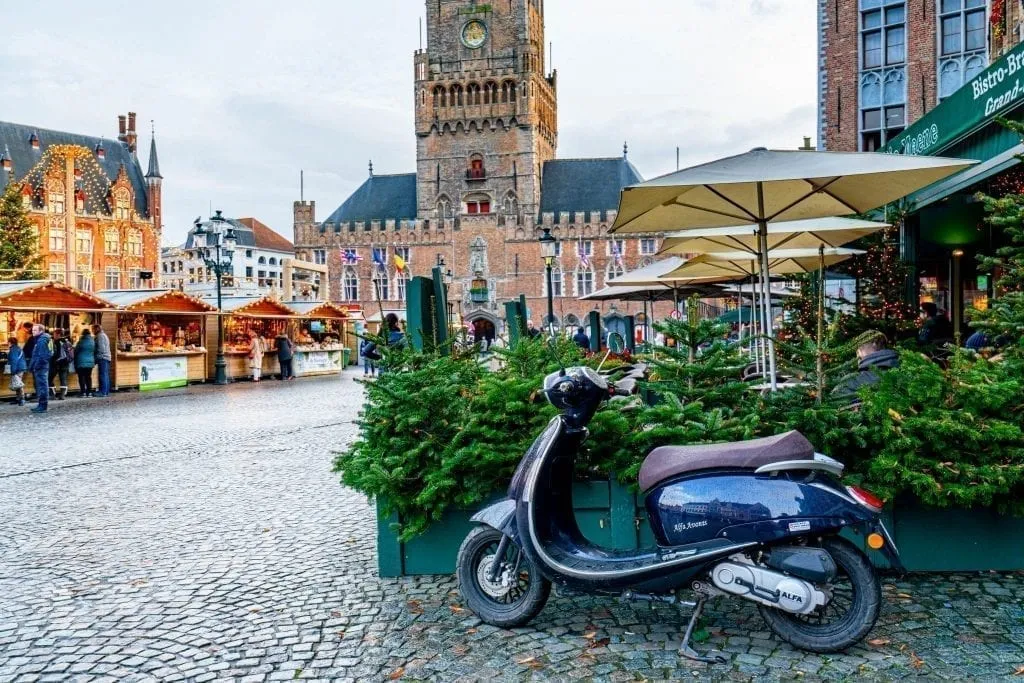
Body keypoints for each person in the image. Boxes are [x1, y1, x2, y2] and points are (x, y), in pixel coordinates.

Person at [834, 336, 900, 402]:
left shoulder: (851, 382)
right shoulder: (904, 370)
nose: (857, 354)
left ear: (874, 343)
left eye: (859, 349)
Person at [27, 324, 52, 413]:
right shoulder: (42, 339)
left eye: (35, 330)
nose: (33, 332)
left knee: (42, 386)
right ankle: (41, 405)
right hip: (42, 366)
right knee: (42, 386)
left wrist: (36, 366)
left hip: (41, 367)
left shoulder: (41, 341)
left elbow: (42, 356)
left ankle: (43, 405)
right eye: (32, 330)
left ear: (41, 331)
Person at [50, 329, 73, 400]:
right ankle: (62, 395)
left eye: (54, 334)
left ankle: (52, 395)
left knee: (49, 378)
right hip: (65, 363)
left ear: (58, 334)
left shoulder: (57, 342)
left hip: (57, 363)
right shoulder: (68, 341)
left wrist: (53, 360)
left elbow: (55, 353)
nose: (53, 336)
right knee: (63, 379)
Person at [74, 328, 96, 397]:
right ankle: (89, 392)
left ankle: (83, 392)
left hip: (81, 361)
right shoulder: (93, 341)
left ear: (83, 334)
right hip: (90, 362)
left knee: (81, 377)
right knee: (88, 377)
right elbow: (95, 351)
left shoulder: (81, 341)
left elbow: (76, 351)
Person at [7, 336, 27, 406]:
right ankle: (18, 399)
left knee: (18, 383)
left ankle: (22, 399)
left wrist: (13, 371)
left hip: (18, 368)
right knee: (17, 383)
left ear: (10, 342)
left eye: (8, 342)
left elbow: (14, 361)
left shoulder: (13, 350)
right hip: (20, 367)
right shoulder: (17, 348)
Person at [93, 324, 112, 397]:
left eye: (93, 329)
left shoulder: (100, 336)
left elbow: (101, 349)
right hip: (106, 357)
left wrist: (97, 357)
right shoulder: (104, 335)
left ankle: (103, 392)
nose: (93, 331)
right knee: (105, 375)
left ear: (97, 329)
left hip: (103, 358)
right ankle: (106, 391)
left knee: (103, 375)